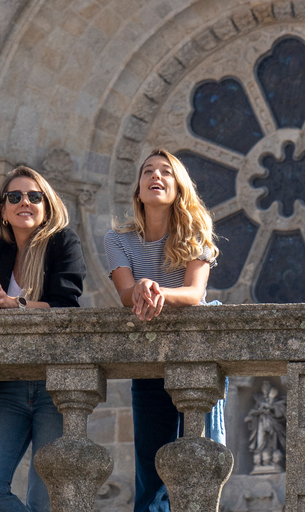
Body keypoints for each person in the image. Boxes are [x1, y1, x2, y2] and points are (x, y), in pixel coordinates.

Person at [0, 166, 86, 512]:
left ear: (47, 205)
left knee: (45, 499)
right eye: (14, 197)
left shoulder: (63, 243)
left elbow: (66, 303)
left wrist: (17, 305)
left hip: (53, 385)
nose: (23, 202)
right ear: (3, 210)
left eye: (33, 196)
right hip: (9, 386)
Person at [103, 148, 224, 512]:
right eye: (148, 172)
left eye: (166, 172)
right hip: (149, 361)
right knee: (151, 477)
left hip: (197, 355)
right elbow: (126, 293)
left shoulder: (196, 233)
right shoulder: (118, 240)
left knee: (203, 468)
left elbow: (194, 293)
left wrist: (155, 289)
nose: (156, 176)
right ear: (138, 190)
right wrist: (139, 289)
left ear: (179, 186)